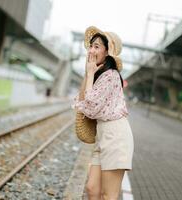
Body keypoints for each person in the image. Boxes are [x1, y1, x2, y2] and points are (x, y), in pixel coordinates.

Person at [72, 26, 134, 200]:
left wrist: (90, 73)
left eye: (97, 46)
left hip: (116, 136)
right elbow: (82, 99)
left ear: (108, 52)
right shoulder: (98, 75)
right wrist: (88, 72)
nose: (91, 50)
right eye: (91, 46)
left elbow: (90, 107)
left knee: (109, 195)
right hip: (102, 137)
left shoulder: (111, 76)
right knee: (92, 189)